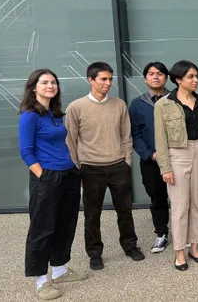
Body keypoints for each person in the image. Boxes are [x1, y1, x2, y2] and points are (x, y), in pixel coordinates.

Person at [65, 62, 143, 271]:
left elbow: (126, 135)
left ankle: (130, 246)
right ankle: (95, 253)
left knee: (125, 210)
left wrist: (127, 161)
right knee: (92, 214)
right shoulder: (76, 107)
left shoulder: (119, 105)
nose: (108, 83)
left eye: (110, 79)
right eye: (103, 79)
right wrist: (77, 166)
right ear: (91, 80)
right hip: (91, 168)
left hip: (118, 166)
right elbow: (70, 140)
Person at [20, 69, 88, 300]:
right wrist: (44, 176)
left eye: (53, 82)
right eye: (45, 82)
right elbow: (26, 153)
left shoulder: (55, 113)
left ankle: (59, 269)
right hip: (47, 178)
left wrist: (72, 171)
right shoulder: (30, 115)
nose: (50, 86)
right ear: (33, 87)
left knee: (65, 223)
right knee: (42, 228)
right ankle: (41, 280)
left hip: (67, 174)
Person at [153, 60, 198, 271]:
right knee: (179, 205)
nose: (195, 80)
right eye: (190, 77)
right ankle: (179, 251)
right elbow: (160, 139)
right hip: (177, 154)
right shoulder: (163, 104)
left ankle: (194, 246)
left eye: (196, 76)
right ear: (178, 79)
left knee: (197, 202)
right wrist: (165, 167)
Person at [129, 62, 172, 254]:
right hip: (151, 160)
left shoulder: (176, 99)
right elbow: (135, 134)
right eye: (151, 74)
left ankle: (186, 232)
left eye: (160, 74)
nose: (156, 77)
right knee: (157, 197)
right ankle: (161, 233)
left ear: (166, 77)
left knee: (182, 197)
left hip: (176, 158)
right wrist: (150, 154)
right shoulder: (138, 104)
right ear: (145, 78)